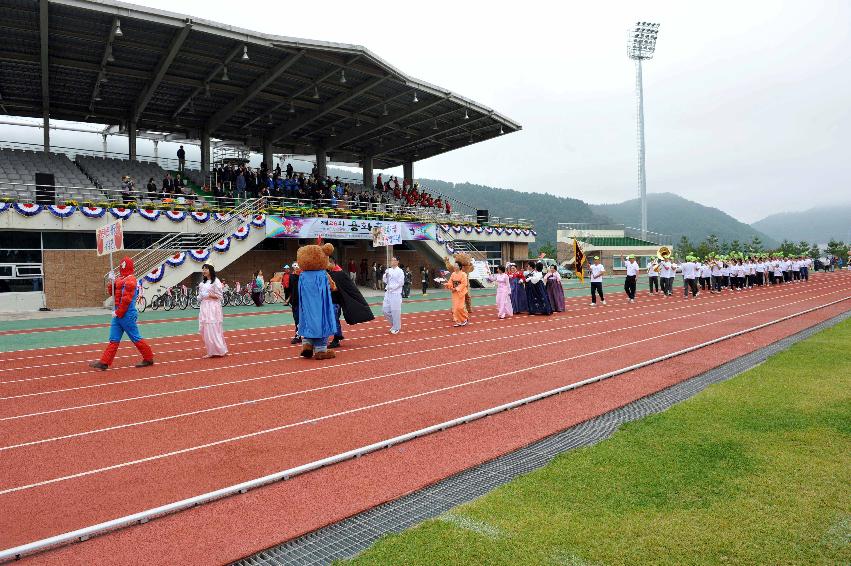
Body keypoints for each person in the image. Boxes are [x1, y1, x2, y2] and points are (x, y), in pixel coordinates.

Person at [89, 256, 154, 370]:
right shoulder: (121, 279)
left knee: (135, 337)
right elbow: (112, 293)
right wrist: (112, 282)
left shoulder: (131, 280)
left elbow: (126, 300)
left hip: (127, 314)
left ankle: (148, 358)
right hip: (119, 314)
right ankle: (104, 362)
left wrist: (118, 313)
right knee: (113, 339)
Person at [296, 243, 337, 360]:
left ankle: (307, 345)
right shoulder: (322, 274)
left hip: (306, 306)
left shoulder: (302, 275)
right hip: (320, 306)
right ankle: (320, 351)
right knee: (321, 323)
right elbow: (332, 286)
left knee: (308, 322)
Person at [198, 264, 228, 358]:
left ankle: (220, 350)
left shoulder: (216, 282)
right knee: (206, 329)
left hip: (213, 307)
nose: (204, 271)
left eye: (206, 269)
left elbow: (220, 296)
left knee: (213, 328)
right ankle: (211, 351)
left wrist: (209, 295)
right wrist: (200, 297)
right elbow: (200, 296)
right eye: (203, 269)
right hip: (205, 307)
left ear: (210, 270)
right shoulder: (202, 283)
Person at [382, 256, 404, 334]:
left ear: (398, 262)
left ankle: (396, 327)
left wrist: (392, 288)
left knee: (395, 311)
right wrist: (385, 275)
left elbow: (401, 283)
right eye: (392, 260)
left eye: (394, 260)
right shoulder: (388, 270)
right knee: (385, 310)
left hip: (396, 293)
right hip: (387, 293)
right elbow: (385, 280)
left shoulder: (400, 271)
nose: (392, 261)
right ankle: (394, 324)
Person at [445, 260, 470, 326]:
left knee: (460, 307)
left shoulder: (463, 274)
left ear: (460, 267)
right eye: (454, 265)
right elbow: (450, 282)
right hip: (454, 293)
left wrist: (457, 288)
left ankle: (464, 318)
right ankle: (458, 321)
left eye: (456, 265)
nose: (455, 267)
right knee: (455, 308)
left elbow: (464, 283)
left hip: (461, 292)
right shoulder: (453, 274)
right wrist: (448, 285)